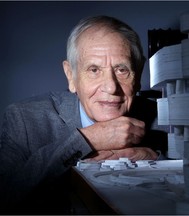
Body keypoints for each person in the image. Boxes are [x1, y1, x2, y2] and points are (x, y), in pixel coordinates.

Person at [0, 15, 167, 214]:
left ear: (138, 74)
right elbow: (6, 197)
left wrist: (156, 160)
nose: (111, 87)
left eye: (122, 70)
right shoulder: (24, 120)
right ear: (71, 76)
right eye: (94, 69)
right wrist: (89, 139)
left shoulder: (166, 115)